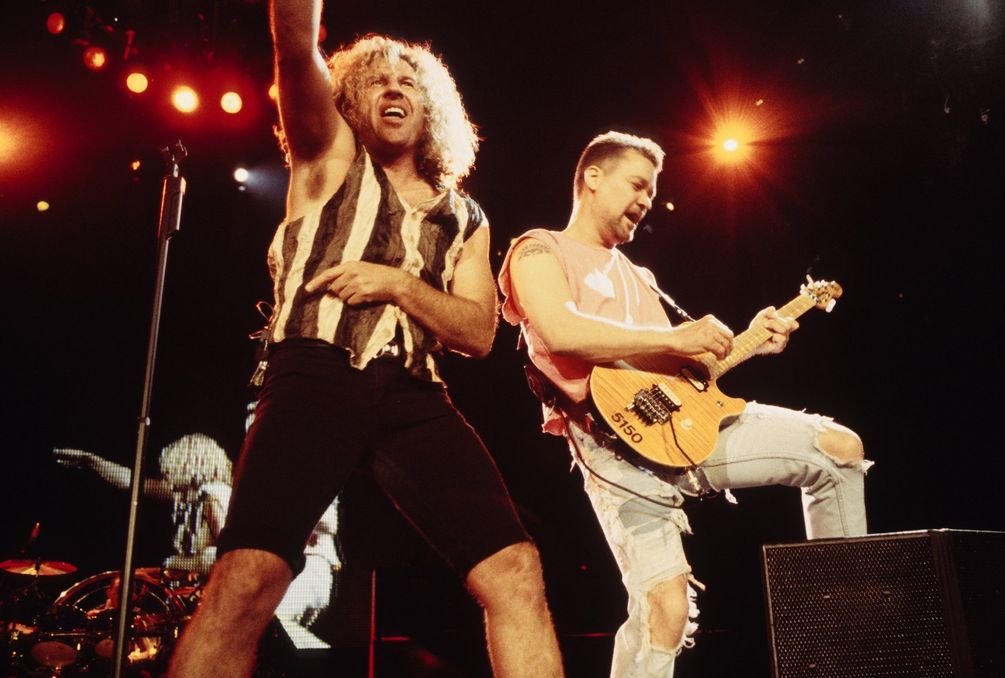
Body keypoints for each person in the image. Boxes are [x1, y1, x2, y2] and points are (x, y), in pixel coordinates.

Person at [167, 2, 563, 676]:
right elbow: (295, 47)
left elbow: (478, 334)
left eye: (409, 80)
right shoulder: (329, 157)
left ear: (431, 105)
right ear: (349, 98)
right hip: (314, 376)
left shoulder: (465, 215)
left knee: (515, 568)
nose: (394, 87)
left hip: (414, 396)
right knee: (249, 577)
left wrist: (398, 285)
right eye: (376, 79)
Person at [498, 131, 871, 676]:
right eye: (638, 184)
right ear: (592, 177)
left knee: (838, 451)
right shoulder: (538, 248)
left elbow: (676, 378)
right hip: (614, 451)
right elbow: (558, 331)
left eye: (652, 190)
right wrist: (677, 339)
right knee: (665, 612)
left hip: (681, 429)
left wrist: (746, 343)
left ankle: (845, 649)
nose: (647, 199)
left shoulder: (639, 277)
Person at [53, 434, 341, 648]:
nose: (165, 474)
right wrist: (92, 462)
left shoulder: (212, 494)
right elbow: (134, 483)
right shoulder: (196, 495)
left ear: (186, 465)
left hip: (294, 587)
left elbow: (226, 553)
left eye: (170, 466)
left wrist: (172, 565)